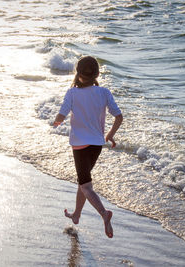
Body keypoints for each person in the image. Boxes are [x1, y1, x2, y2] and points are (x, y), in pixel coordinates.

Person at [53, 56, 123, 238]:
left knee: (86, 185)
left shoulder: (72, 93)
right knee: (84, 183)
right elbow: (119, 117)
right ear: (97, 74)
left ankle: (104, 214)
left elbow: (61, 116)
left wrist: (55, 123)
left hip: (80, 145)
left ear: (78, 73)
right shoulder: (104, 92)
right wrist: (109, 136)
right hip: (97, 145)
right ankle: (76, 214)